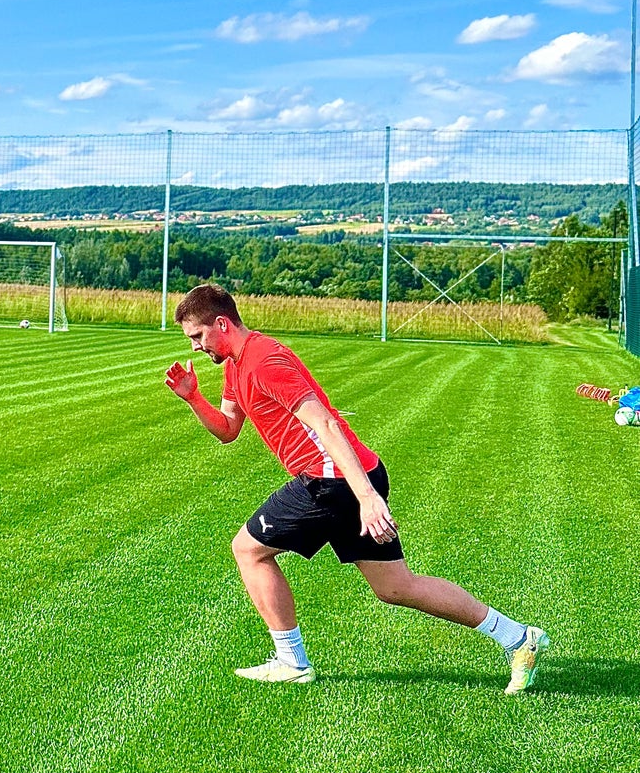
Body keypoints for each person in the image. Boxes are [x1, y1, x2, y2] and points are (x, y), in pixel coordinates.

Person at [164, 282, 547, 692]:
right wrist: (192, 398)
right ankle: (518, 637)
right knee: (397, 587)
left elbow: (326, 423)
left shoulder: (263, 360)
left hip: (332, 481)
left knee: (248, 549)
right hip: (348, 477)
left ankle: (292, 662)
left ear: (221, 323)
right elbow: (227, 430)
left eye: (198, 336)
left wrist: (366, 497)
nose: (196, 348)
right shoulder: (236, 367)